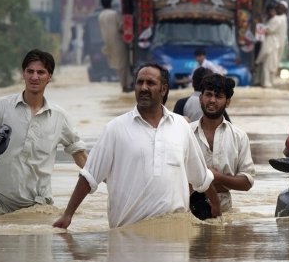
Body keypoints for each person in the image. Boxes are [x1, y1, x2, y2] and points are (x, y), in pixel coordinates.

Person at [53, 64, 214, 229]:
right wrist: (68, 215)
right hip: (128, 236)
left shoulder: (181, 126)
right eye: (139, 82)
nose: (143, 88)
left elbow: (201, 178)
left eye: (150, 83)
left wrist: (217, 214)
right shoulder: (115, 128)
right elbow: (89, 176)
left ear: (163, 89)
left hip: (175, 237)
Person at [0, 49, 87, 214]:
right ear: (23, 74)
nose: (34, 77)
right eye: (30, 71)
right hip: (0, 205)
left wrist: (109, 180)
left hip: (38, 209)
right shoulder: (1, 107)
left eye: (41, 72)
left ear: (49, 77)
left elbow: (80, 156)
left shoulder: (59, 117)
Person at [189, 74, 255, 217]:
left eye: (218, 96)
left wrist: (219, 177)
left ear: (228, 101)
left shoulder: (239, 137)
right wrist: (207, 181)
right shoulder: (185, 133)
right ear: (201, 98)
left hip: (224, 213)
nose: (212, 100)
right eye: (208, 95)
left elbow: (247, 182)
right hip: (187, 210)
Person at [98, 0, 132, 92]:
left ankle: (124, 84)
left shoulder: (100, 16)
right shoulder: (114, 14)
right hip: (119, 41)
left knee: (118, 65)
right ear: (110, 3)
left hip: (108, 43)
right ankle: (125, 85)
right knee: (123, 64)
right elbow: (121, 27)